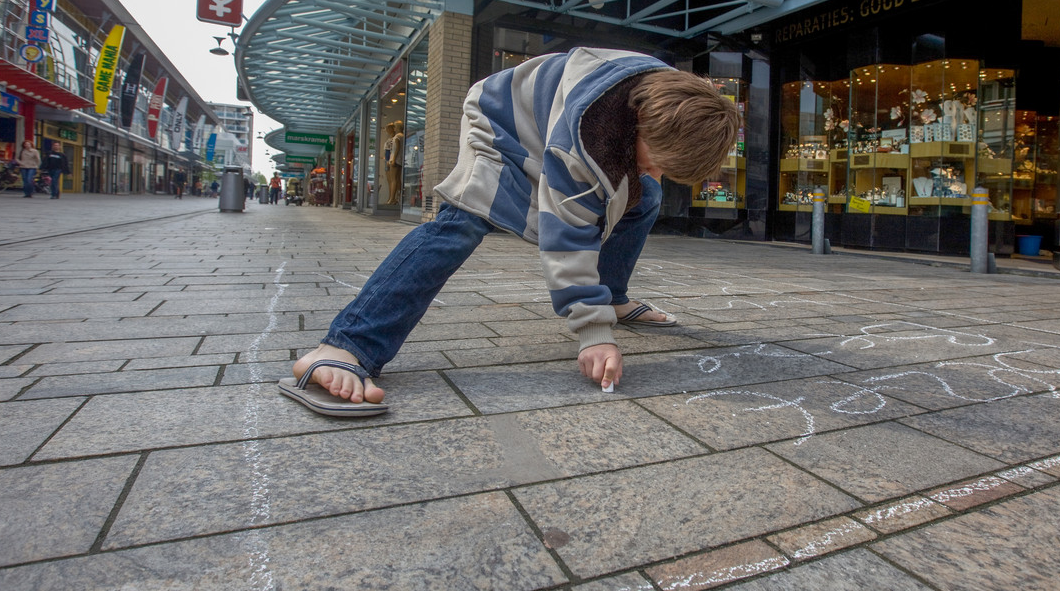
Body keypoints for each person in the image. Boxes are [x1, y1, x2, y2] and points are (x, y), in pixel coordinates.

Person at [279, 47, 739, 417]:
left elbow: (626, 179)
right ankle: (346, 344)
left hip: (552, 116)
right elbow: (568, 234)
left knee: (647, 197)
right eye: (652, 158)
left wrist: (643, 173)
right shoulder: (588, 133)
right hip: (501, 120)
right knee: (463, 220)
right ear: (638, 120)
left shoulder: (669, 96)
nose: (654, 168)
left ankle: (613, 294)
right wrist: (593, 332)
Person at [385, 120, 404, 205]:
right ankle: (398, 197)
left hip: (395, 160)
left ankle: (392, 198)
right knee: (398, 179)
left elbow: (396, 149)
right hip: (399, 160)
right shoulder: (402, 136)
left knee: (393, 180)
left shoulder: (397, 137)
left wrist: (393, 159)